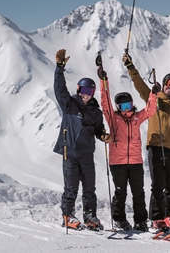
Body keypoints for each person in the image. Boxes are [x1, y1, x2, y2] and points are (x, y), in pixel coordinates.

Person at [122, 53, 170, 231]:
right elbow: (139, 85)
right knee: (157, 185)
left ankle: (168, 215)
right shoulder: (154, 98)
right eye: (168, 83)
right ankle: (156, 218)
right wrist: (131, 67)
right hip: (155, 147)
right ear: (163, 83)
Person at [97, 65, 160, 232]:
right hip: (117, 163)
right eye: (123, 106)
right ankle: (119, 219)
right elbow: (104, 102)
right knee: (120, 192)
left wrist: (154, 94)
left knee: (138, 193)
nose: (127, 109)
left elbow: (150, 110)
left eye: (129, 105)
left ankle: (140, 221)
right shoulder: (113, 118)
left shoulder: (136, 118)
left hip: (135, 162)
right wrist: (104, 81)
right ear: (118, 107)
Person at [53, 49, 110, 231]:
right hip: (69, 152)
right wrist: (59, 68)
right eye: (84, 90)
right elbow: (59, 88)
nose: (86, 94)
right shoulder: (69, 104)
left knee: (89, 189)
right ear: (78, 90)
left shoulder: (96, 112)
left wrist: (103, 136)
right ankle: (67, 216)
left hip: (86, 154)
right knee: (71, 189)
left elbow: (98, 130)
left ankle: (90, 217)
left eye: (90, 91)